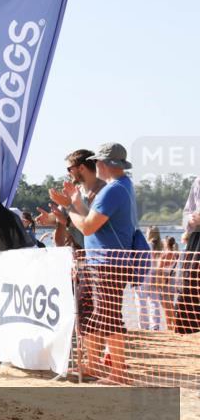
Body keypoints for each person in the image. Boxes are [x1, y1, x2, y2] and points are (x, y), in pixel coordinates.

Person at [68, 143, 139, 384]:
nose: (95, 165)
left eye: (98, 161)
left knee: (108, 316)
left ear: (104, 164)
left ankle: (117, 372)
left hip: (107, 262)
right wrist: (77, 205)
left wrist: (70, 210)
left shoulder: (113, 190)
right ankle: (93, 365)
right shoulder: (122, 186)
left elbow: (88, 226)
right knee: (101, 314)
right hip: (109, 261)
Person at [37, 149, 106, 249]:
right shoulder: (75, 192)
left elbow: (94, 225)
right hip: (83, 256)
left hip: (101, 256)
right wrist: (49, 217)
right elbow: (63, 215)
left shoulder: (105, 192)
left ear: (81, 168)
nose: (68, 173)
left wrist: (67, 220)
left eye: (69, 169)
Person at [175, 176, 200, 332]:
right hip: (197, 238)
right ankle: (191, 332)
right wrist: (189, 222)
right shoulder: (198, 180)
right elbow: (186, 213)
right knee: (189, 283)